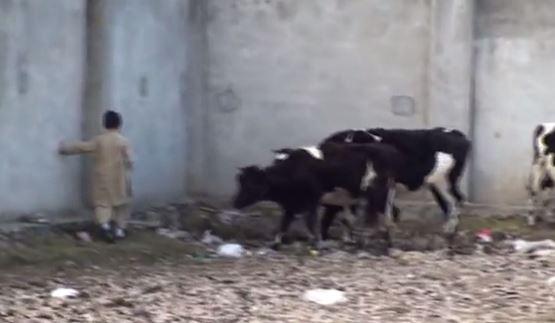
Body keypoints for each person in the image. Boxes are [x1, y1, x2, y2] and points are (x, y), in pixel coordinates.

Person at [59, 110, 133, 242]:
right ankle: (119, 230)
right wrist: (128, 170)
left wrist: (65, 148)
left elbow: (83, 147)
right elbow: (130, 160)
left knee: (102, 204)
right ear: (119, 124)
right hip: (119, 178)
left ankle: (105, 226)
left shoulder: (100, 140)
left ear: (104, 124)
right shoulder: (123, 141)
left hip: (102, 177)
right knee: (121, 204)